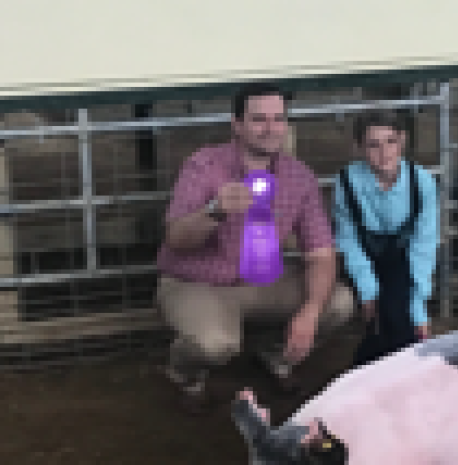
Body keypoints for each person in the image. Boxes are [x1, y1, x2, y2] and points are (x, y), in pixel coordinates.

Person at [157, 83, 355, 414]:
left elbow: (320, 253)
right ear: (237, 124)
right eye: (259, 119)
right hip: (199, 282)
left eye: (278, 119)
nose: (270, 128)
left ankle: (275, 354)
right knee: (216, 345)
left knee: (337, 302)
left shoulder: (299, 176)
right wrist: (214, 211)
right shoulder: (204, 166)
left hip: (262, 279)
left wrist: (309, 312)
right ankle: (185, 372)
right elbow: (174, 238)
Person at [333, 109, 440, 368]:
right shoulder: (347, 183)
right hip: (363, 262)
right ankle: (401, 371)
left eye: (391, 141)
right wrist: (367, 291)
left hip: (406, 263)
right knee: (385, 316)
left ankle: (364, 372)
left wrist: (419, 307)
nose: (384, 153)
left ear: (402, 140)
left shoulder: (422, 182)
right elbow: (349, 242)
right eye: (373, 145)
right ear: (359, 147)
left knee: (396, 312)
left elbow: (423, 246)